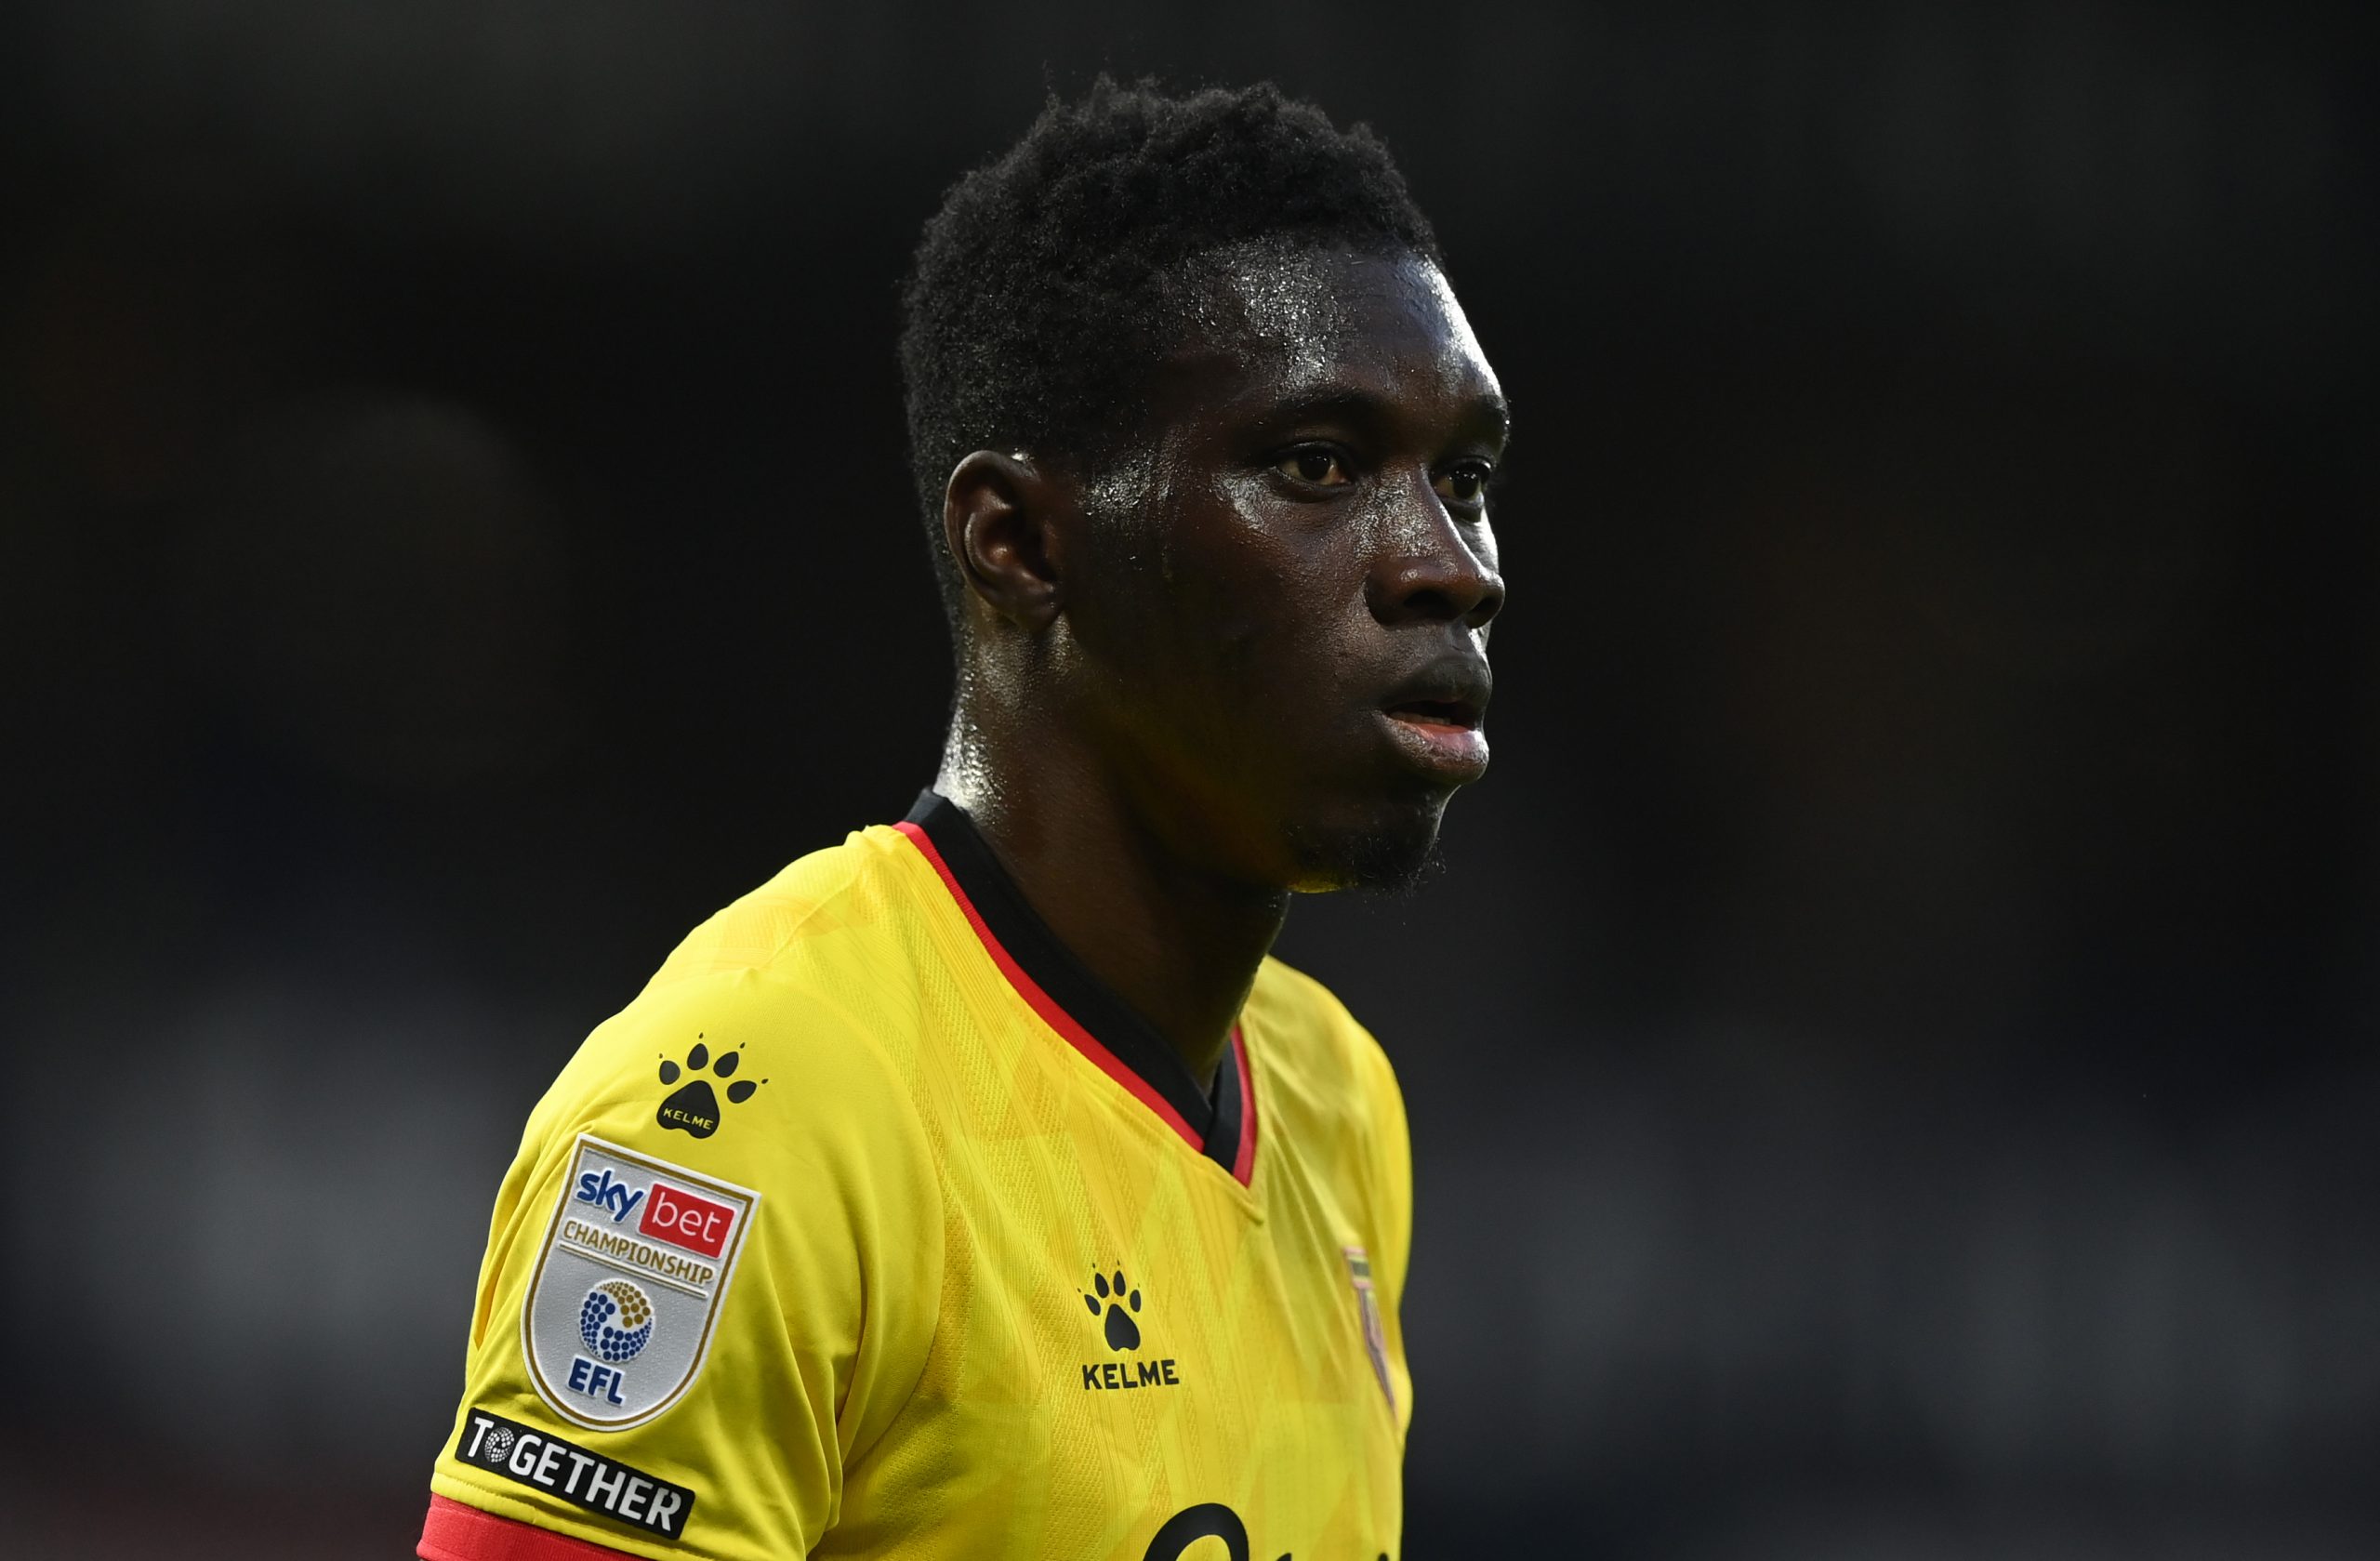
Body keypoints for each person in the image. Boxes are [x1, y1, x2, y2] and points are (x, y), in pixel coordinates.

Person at [417, 75, 1507, 1561]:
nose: (1452, 565)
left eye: (1465, 479)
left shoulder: (1334, 1102)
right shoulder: (753, 1107)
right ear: (1021, 545)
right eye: (1317, 465)